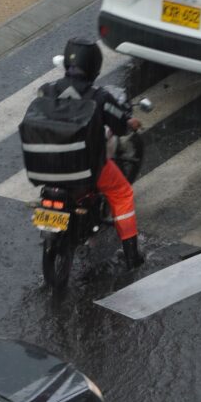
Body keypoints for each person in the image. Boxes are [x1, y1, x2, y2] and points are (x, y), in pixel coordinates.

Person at [38, 38, 144, 268]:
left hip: (48, 164)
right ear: (94, 67)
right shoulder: (99, 98)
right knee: (122, 193)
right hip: (87, 167)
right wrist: (130, 123)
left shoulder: (46, 90)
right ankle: (132, 255)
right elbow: (118, 124)